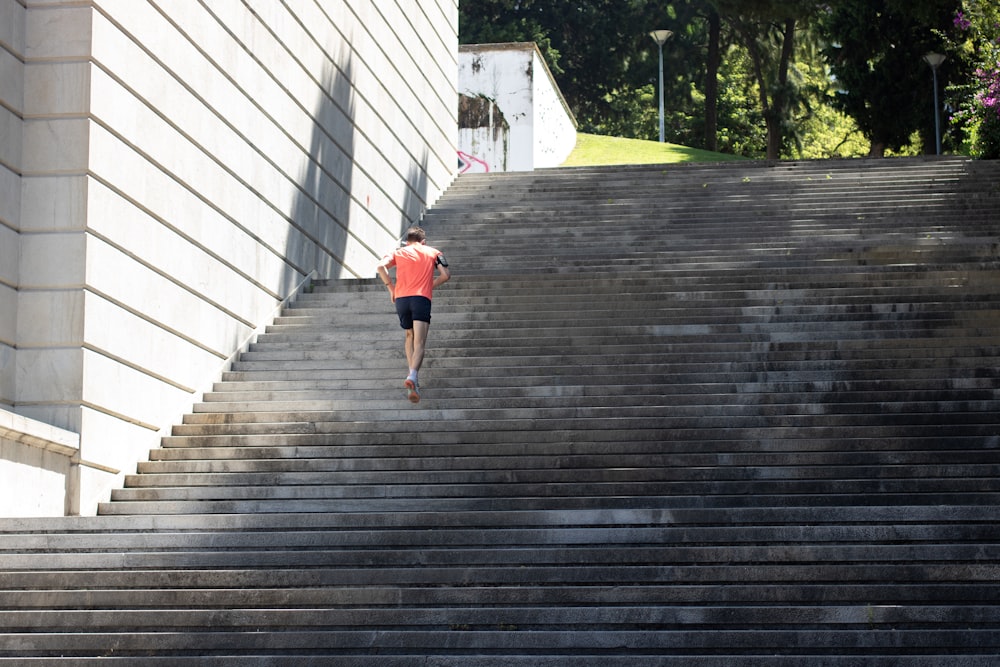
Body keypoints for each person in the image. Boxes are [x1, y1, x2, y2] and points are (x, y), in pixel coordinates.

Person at [375, 226, 450, 403]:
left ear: (407, 241)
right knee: (420, 342)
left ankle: (413, 379)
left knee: (409, 335)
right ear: (423, 242)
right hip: (420, 299)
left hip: (401, 299)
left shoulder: (398, 252)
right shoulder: (433, 252)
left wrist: (391, 288)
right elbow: (446, 275)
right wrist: (429, 286)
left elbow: (380, 266)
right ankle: (413, 377)